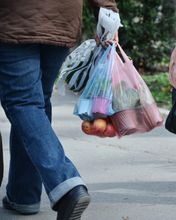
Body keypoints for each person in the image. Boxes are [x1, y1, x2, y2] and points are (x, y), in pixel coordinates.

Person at [0, 0, 119, 219]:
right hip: (62, 17)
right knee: (36, 103)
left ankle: (66, 185)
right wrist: (109, 10)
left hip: (15, 17)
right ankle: (23, 194)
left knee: (24, 103)